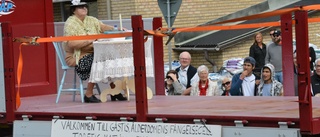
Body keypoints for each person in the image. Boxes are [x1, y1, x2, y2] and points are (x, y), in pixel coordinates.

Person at [63, 2, 125, 103]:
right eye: (80, 7)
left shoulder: (91, 19)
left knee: (108, 58)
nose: (84, 8)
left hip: (94, 53)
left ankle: (114, 90)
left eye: (85, 6)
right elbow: (71, 44)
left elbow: (103, 27)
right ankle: (89, 93)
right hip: (76, 57)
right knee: (97, 61)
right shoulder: (70, 24)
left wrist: (117, 29)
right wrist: (91, 40)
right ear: (73, 10)